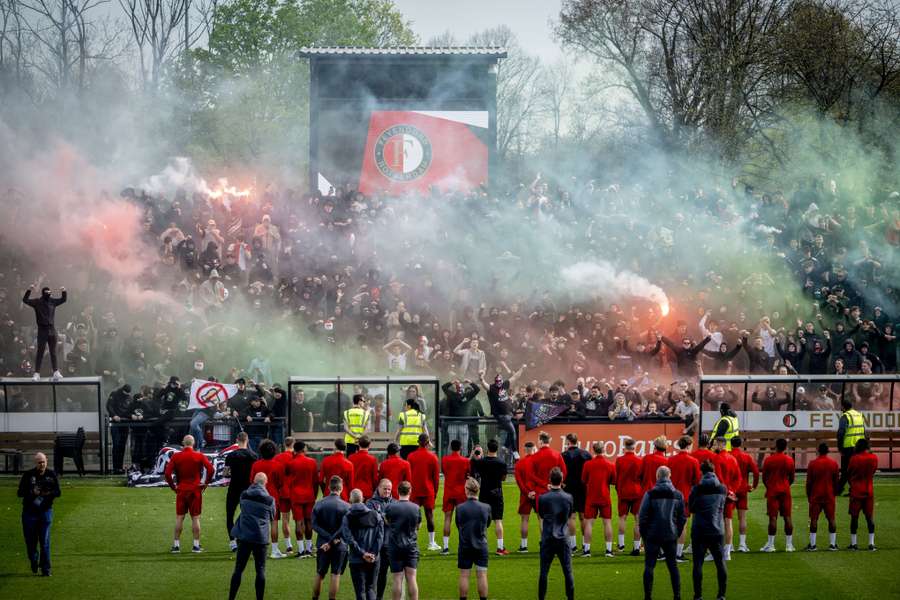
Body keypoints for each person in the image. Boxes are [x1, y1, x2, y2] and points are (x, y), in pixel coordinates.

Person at [639, 466, 685, 600]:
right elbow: (682, 517)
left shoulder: (650, 494)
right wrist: (677, 532)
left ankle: (648, 596)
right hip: (670, 534)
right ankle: (677, 596)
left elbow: (642, 517)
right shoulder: (678, 494)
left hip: (652, 535)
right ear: (669, 475)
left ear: (657, 476)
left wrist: (645, 535)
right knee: (673, 566)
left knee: (649, 566)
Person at [228, 472, 275, 600]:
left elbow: (243, 507)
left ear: (253, 482)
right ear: (266, 483)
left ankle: (231, 597)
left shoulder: (244, 495)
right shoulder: (270, 500)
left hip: (244, 536)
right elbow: (272, 516)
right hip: (260, 537)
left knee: (238, 569)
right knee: (260, 570)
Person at [164, 434, 215, 553]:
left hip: (181, 490)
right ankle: (196, 545)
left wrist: (173, 487)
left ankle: (176, 545)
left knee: (179, 517)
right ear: (193, 443)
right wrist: (205, 483)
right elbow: (211, 469)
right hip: (195, 490)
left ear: (183, 443)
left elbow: (167, 474)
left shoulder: (176, 456)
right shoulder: (199, 455)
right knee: (195, 518)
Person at [688, 460, 727, 600]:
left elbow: (691, 508)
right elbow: (723, 505)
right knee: (720, 562)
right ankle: (721, 595)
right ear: (714, 471)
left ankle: (698, 596)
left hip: (700, 529)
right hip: (717, 529)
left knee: (698, 563)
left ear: (702, 472)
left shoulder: (697, 489)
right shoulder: (722, 488)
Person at [17, 452, 60, 576]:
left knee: (45, 541)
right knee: (30, 541)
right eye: (39, 462)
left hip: (45, 512)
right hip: (29, 513)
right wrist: (32, 492)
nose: (42, 464)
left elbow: (58, 492)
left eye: (43, 462)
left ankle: (46, 569)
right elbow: (19, 493)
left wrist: (48, 493)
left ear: (47, 461)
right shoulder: (28, 475)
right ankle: (34, 559)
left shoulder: (51, 474)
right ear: (35, 463)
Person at [340, 488, 385, 600]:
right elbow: (380, 537)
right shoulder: (376, 515)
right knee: (371, 588)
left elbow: (348, 538)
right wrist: (373, 553)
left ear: (350, 500)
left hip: (356, 559)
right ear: (363, 499)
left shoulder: (348, 517)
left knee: (360, 591)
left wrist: (362, 554)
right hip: (374, 559)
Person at [537, 467, 575, 600]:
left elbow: (541, 514)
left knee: (544, 571)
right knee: (567, 571)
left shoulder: (543, 498)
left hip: (548, 537)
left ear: (549, 480)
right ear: (562, 479)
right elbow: (569, 515)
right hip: (563, 537)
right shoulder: (568, 497)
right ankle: (570, 598)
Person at [311, 476, 351, 600]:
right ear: (341, 488)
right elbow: (345, 527)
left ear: (329, 487)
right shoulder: (346, 506)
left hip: (323, 543)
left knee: (320, 573)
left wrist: (328, 539)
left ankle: (315, 598)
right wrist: (333, 539)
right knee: (336, 574)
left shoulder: (319, 504)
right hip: (339, 544)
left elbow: (314, 525)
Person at [469, 438, 508, 555]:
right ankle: (500, 548)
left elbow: (474, 467)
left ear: (487, 448)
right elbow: (504, 478)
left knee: (483, 521)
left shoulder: (481, 462)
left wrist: (475, 454)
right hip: (497, 492)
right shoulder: (501, 462)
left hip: (484, 492)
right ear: (497, 448)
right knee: (498, 520)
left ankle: (479, 544)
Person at [250, 439, 287, 558]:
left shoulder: (256, 464)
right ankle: (274, 550)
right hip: (272, 496)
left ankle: (258, 550)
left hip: (258, 496)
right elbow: (281, 483)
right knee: (274, 522)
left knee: (258, 523)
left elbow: (251, 481)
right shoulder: (278, 465)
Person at [384, 480, 421, 600]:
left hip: (395, 546)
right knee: (412, 578)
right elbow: (418, 526)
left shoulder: (390, 507)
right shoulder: (415, 508)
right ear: (410, 491)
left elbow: (387, 522)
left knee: (397, 578)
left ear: (397, 491)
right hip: (411, 546)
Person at [455, 477, 491, 600]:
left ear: (466, 490)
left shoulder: (460, 508)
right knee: (482, 575)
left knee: (464, 575)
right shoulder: (486, 507)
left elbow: (458, 524)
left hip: (465, 545)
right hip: (481, 545)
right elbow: (488, 523)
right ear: (478, 490)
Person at [22, 284, 66, 381]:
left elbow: (63, 299)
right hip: (42, 330)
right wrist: (29, 290)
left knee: (53, 352)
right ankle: (37, 373)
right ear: (43, 293)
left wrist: (63, 291)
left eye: (49, 293)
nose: (48, 294)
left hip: (52, 330)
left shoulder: (52, 301)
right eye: (47, 293)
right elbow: (25, 300)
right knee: (40, 352)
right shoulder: (37, 302)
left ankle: (56, 372)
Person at [667, 435, 700, 561]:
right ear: (688, 445)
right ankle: (678, 553)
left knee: (670, 524)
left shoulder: (670, 460)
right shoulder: (693, 461)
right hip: (685, 497)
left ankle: (669, 551)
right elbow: (697, 481)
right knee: (683, 525)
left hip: (671, 496)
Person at [581, 441, 616, 557]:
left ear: (593, 450)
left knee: (589, 523)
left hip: (591, 497)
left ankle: (586, 550)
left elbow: (584, 480)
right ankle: (609, 550)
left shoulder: (588, 464)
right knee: (607, 522)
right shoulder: (610, 465)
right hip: (605, 496)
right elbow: (613, 481)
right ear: (604, 450)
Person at [760, 438, 796, 552]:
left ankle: (771, 545)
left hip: (772, 491)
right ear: (785, 447)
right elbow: (792, 478)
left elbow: (764, 478)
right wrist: (785, 485)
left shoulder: (769, 460)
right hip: (785, 491)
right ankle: (789, 545)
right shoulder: (789, 460)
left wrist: (770, 486)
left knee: (772, 517)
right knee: (787, 517)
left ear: (776, 446)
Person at [225, 432, 258, 552]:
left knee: (230, 515)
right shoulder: (253, 456)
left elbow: (225, 473)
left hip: (234, 487)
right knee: (247, 514)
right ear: (247, 440)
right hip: (248, 489)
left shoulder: (231, 456)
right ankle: (243, 537)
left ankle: (232, 541)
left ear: (236, 440)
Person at [481, 370, 525, 460]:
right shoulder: (492, 388)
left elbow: (514, 377)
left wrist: (521, 369)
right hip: (501, 416)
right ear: (495, 382)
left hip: (509, 415)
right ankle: (515, 451)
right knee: (512, 432)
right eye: (497, 381)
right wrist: (481, 378)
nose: (499, 383)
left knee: (511, 432)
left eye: (500, 381)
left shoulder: (504, 385)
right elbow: (484, 385)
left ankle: (505, 446)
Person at [407, 433, 441, 551]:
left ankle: (411, 541)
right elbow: (435, 478)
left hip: (414, 490)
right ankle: (431, 542)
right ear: (427, 443)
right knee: (429, 516)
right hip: (428, 490)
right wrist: (435, 492)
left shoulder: (411, 456)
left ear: (418, 442)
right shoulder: (433, 457)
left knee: (412, 517)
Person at [286, 440, 319, 558]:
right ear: (304, 449)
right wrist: (314, 495)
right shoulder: (312, 462)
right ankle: (309, 549)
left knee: (298, 522)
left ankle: (300, 550)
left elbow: (288, 480)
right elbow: (316, 481)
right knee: (309, 521)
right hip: (309, 495)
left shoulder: (291, 463)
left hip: (296, 496)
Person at [805, 442, 839, 551]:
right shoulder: (833, 463)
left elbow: (809, 483)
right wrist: (834, 493)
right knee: (831, 519)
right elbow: (836, 481)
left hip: (816, 495)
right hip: (829, 495)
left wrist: (809, 496)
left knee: (814, 519)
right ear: (828, 451)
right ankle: (832, 545)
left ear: (818, 450)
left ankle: (813, 545)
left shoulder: (813, 463)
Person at [712, 436, 741, 559]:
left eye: (714, 444)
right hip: (730, 495)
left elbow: (718, 478)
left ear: (720, 444)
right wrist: (732, 491)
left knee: (717, 523)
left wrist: (726, 491)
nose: (713, 447)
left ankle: (717, 552)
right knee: (728, 522)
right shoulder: (732, 458)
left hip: (720, 495)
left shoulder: (717, 459)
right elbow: (738, 477)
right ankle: (727, 552)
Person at [561, 432, 591, 554]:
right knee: (583, 516)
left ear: (568, 442)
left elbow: (561, 471)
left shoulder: (563, 455)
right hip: (582, 487)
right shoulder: (586, 454)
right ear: (577, 441)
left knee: (571, 517)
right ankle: (585, 544)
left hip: (568, 488)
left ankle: (573, 546)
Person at [847, 438, 878, 551]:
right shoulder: (873, 458)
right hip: (868, 490)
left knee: (854, 518)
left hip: (856, 491)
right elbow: (873, 471)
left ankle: (854, 544)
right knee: (869, 518)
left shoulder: (854, 459)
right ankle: (871, 543)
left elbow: (849, 473)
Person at [441, 438, 471, 554]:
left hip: (448, 492)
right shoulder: (465, 461)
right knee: (463, 520)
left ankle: (445, 547)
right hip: (461, 493)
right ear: (461, 447)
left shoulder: (445, 459)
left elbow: (444, 472)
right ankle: (463, 545)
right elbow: (468, 474)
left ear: (450, 447)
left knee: (447, 518)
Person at [729, 436, 759, 552]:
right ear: (740, 444)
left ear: (731, 444)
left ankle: (729, 545)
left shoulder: (728, 455)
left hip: (731, 490)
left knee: (728, 518)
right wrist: (754, 486)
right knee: (742, 518)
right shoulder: (746, 456)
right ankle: (742, 545)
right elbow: (756, 472)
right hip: (743, 489)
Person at [615, 437, 644, 555]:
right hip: (637, 492)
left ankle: (621, 545)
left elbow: (616, 475)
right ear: (634, 446)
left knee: (622, 518)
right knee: (638, 520)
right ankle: (636, 547)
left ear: (624, 447)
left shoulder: (619, 460)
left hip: (623, 491)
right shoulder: (639, 460)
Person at [367, 479, 394, 600]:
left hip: (389, 544)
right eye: (385, 488)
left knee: (383, 573)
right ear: (378, 488)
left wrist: (382, 517)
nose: (387, 491)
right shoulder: (370, 503)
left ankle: (379, 597)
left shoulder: (395, 503)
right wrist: (385, 517)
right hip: (374, 545)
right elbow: (370, 520)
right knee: (372, 575)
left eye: (389, 489)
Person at [837, 397, 866, 494]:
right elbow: (864, 431)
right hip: (859, 447)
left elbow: (841, 433)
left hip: (848, 447)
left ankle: (839, 489)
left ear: (843, 407)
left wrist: (840, 447)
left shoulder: (845, 416)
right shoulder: (859, 415)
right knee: (855, 470)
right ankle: (849, 489)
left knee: (846, 470)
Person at [529, 431, 567, 505]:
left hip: (540, 491)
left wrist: (544, 484)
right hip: (556, 490)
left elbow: (531, 475)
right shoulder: (557, 454)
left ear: (541, 441)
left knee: (542, 515)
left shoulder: (534, 457)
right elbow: (564, 471)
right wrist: (559, 483)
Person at [273, 436, 296, 554]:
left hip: (282, 491)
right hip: (295, 491)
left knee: (285, 519)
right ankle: (305, 545)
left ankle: (289, 545)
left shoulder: (277, 458)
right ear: (293, 444)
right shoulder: (297, 457)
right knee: (299, 519)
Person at [514, 441, 537, 552]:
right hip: (538, 493)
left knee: (524, 520)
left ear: (524, 449)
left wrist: (527, 492)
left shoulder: (520, 463)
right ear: (534, 449)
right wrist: (535, 491)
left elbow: (519, 481)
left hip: (525, 494)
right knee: (542, 519)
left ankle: (524, 546)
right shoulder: (538, 461)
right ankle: (544, 544)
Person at [107, 383, 133, 473]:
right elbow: (109, 406)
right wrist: (113, 415)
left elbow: (130, 408)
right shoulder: (114, 394)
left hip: (125, 423)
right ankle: (115, 467)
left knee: (122, 446)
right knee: (116, 445)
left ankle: (120, 467)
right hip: (116, 423)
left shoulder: (129, 397)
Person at [349, 435, 379, 500]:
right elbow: (375, 478)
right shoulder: (372, 459)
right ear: (369, 445)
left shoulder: (351, 458)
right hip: (368, 491)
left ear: (359, 445)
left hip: (354, 491)